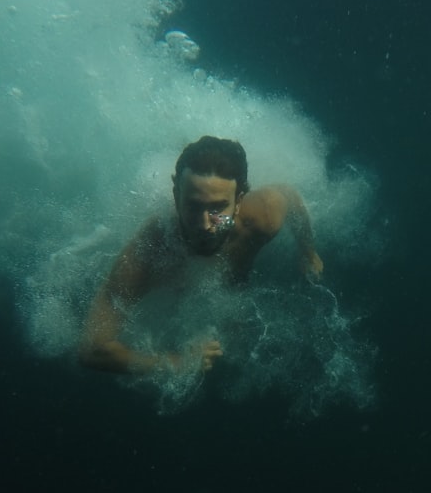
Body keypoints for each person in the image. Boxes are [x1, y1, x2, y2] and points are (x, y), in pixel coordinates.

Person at [78, 136, 323, 376]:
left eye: (217, 208)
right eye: (193, 206)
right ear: (176, 196)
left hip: (235, 281)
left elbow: (290, 197)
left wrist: (308, 251)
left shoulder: (263, 216)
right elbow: (92, 349)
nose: (205, 225)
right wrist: (174, 363)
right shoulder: (149, 252)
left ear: (238, 201)